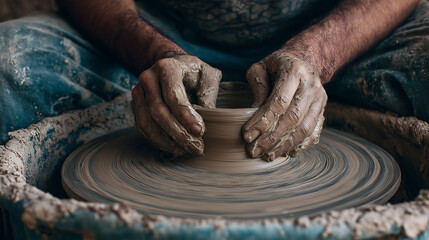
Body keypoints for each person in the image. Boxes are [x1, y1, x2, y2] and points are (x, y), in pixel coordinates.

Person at [0, 0, 427, 161]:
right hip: (147, 39)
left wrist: (316, 55)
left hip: (337, 35)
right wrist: (156, 53)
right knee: (8, 68)